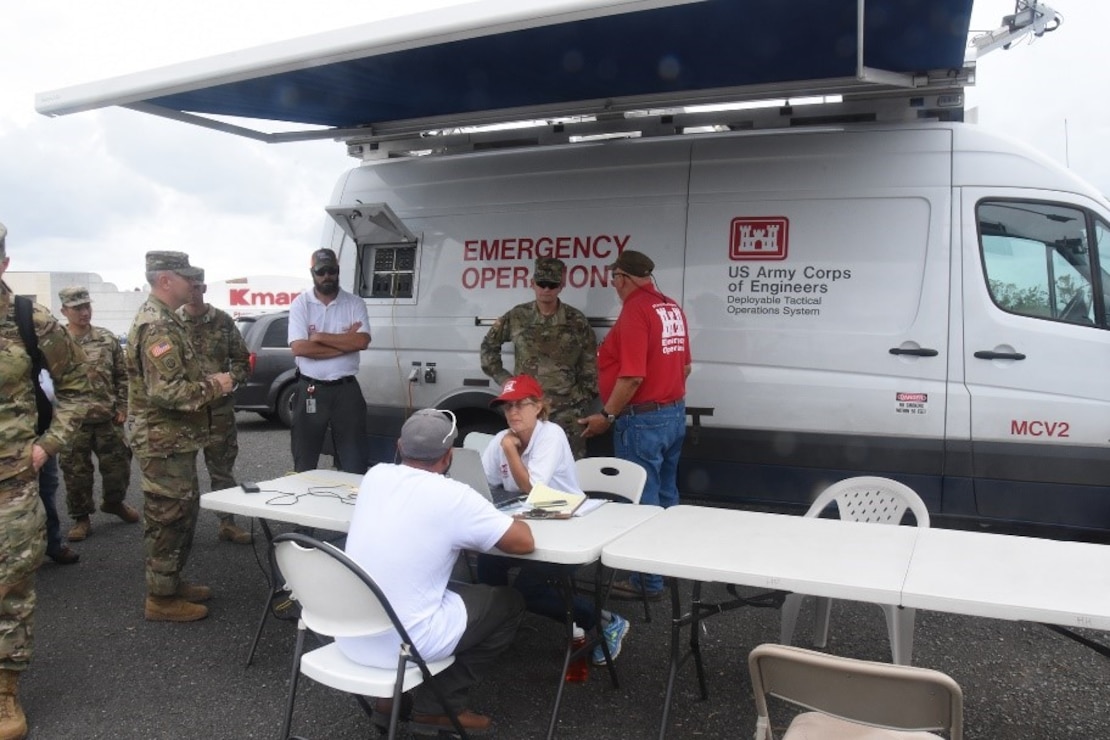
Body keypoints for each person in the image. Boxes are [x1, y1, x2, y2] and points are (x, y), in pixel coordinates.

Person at [338, 408, 532, 733]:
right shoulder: (454, 496)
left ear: (399, 446)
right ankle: (439, 707)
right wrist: (506, 519)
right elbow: (522, 542)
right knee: (508, 602)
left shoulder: (376, 477)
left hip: (349, 631)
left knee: (431, 585)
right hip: (407, 642)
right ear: (448, 456)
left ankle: (388, 701)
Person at [0, 221, 91, 740]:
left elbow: (76, 387)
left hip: (10, 486)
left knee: (9, 590)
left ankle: (5, 691)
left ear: (4, 263)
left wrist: (48, 443)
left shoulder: (28, 319)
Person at [477, 375, 630, 665]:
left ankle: (605, 621)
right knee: (488, 560)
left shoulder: (551, 434)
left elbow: (533, 489)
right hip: (527, 523)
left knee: (528, 590)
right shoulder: (501, 438)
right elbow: (485, 482)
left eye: (520, 405)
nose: (513, 413)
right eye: (507, 407)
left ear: (538, 407)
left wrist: (510, 451)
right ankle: (499, 626)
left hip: (569, 528)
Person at [127, 251, 234, 623]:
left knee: (180, 513)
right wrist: (215, 385)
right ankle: (160, 598)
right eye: (187, 277)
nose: (194, 284)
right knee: (167, 517)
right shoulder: (158, 326)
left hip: (172, 440)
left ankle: (170, 583)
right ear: (166, 280)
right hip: (162, 442)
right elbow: (167, 392)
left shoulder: (165, 320)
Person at [580, 249, 691, 601]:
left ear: (624, 278)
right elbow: (685, 367)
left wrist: (608, 416)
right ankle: (667, 567)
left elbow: (630, 377)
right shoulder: (670, 306)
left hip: (642, 419)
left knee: (641, 498)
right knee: (667, 495)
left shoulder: (634, 312)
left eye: (614, 278)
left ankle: (647, 581)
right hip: (673, 413)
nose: (613, 284)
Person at [480, 257, 598, 458]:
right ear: (532, 283)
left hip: (567, 413)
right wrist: (506, 381)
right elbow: (488, 348)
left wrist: (582, 399)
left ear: (561, 286)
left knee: (569, 469)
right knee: (527, 467)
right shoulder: (518, 316)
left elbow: (590, 363)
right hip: (526, 410)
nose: (546, 289)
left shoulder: (576, 320)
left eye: (552, 285)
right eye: (541, 284)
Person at [55, 286, 138, 544]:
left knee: (119, 468)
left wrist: (123, 406)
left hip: (107, 418)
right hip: (73, 423)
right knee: (76, 474)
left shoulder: (106, 338)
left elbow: (122, 375)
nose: (84, 312)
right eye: (77, 308)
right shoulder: (56, 342)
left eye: (87, 306)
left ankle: (114, 503)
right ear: (64, 311)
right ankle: (82, 518)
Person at [179, 271, 252, 544]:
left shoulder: (222, 321)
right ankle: (182, 532)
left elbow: (242, 360)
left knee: (222, 471)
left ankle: (227, 524)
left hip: (219, 412)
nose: (193, 292)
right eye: (189, 287)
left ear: (205, 288)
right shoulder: (172, 323)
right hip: (186, 414)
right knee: (183, 478)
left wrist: (232, 380)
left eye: (198, 287)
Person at [287, 248, 370, 473]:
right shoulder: (300, 304)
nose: (326, 276)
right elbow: (299, 348)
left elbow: (362, 341)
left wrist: (321, 338)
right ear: (312, 273)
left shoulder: (354, 303)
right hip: (311, 388)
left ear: (338, 271)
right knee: (304, 460)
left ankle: (349, 506)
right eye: (321, 271)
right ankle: (303, 506)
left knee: (354, 460)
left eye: (331, 270)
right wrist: (345, 344)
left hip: (346, 391)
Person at [35, 371, 79, 566]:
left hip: (42, 433)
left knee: (47, 489)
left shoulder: (32, 346)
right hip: (9, 440)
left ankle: (53, 544)